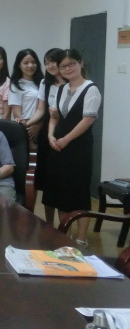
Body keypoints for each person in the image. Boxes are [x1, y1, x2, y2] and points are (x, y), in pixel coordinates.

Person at [43, 49, 101, 247]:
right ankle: (64, 235)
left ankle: (81, 238)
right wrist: (50, 135)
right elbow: (54, 116)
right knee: (62, 192)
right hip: (58, 146)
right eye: (63, 66)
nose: (67, 69)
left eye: (71, 64)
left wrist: (66, 139)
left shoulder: (91, 89)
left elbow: (87, 120)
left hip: (78, 148)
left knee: (78, 192)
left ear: (80, 63)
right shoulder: (61, 89)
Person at [23, 48, 65, 224]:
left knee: (63, 183)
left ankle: (64, 226)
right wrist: (27, 124)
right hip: (47, 134)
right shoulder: (45, 83)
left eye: (53, 62)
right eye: (46, 63)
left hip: (66, 133)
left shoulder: (71, 83)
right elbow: (41, 110)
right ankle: (49, 223)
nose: (50, 66)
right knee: (48, 182)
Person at [9, 48, 44, 146]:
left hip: (43, 124)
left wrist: (38, 125)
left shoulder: (43, 82)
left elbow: (44, 108)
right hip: (26, 127)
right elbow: (17, 113)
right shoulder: (16, 84)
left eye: (33, 62)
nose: (30, 65)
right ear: (19, 65)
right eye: (26, 63)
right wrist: (27, 127)